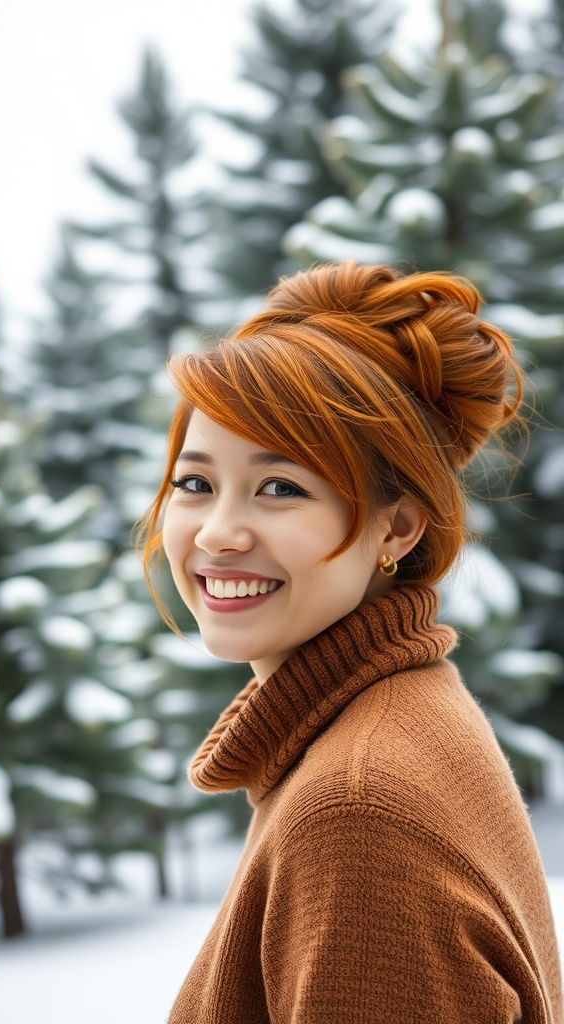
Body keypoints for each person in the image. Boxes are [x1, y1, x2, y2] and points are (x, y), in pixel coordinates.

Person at [140, 261, 562, 1023]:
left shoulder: (358, 814)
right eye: (195, 483)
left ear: (396, 527)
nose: (217, 534)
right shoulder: (398, 719)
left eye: (280, 488)